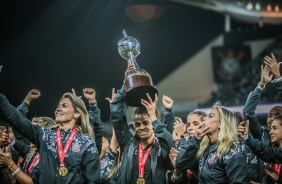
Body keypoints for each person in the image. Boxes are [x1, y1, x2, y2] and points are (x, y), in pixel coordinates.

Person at [0, 92, 100, 183]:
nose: (58, 109)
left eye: (64, 106)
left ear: (77, 113)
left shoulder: (87, 143)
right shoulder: (44, 134)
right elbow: (17, 120)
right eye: (58, 106)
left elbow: (92, 180)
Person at [109, 62, 174, 183]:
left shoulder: (161, 147)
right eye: (137, 124)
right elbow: (117, 115)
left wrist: (154, 116)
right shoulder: (128, 143)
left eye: (145, 122)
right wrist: (126, 83)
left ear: (154, 125)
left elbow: (169, 141)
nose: (141, 127)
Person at [176, 103, 249, 183]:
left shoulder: (231, 151)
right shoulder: (204, 148)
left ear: (220, 124)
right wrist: (195, 139)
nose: (204, 119)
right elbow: (180, 163)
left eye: (210, 116)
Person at [0, 117, 56, 184]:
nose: (29, 136)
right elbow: (25, 150)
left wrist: (10, 164)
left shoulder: (50, 159)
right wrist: (13, 140)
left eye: (33, 133)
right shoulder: (36, 152)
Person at [239, 116, 282, 183]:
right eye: (271, 128)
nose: (270, 132)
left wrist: (278, 178)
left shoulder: (273, 153)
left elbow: (267, 152)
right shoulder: (275, 153)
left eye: (274, 128)